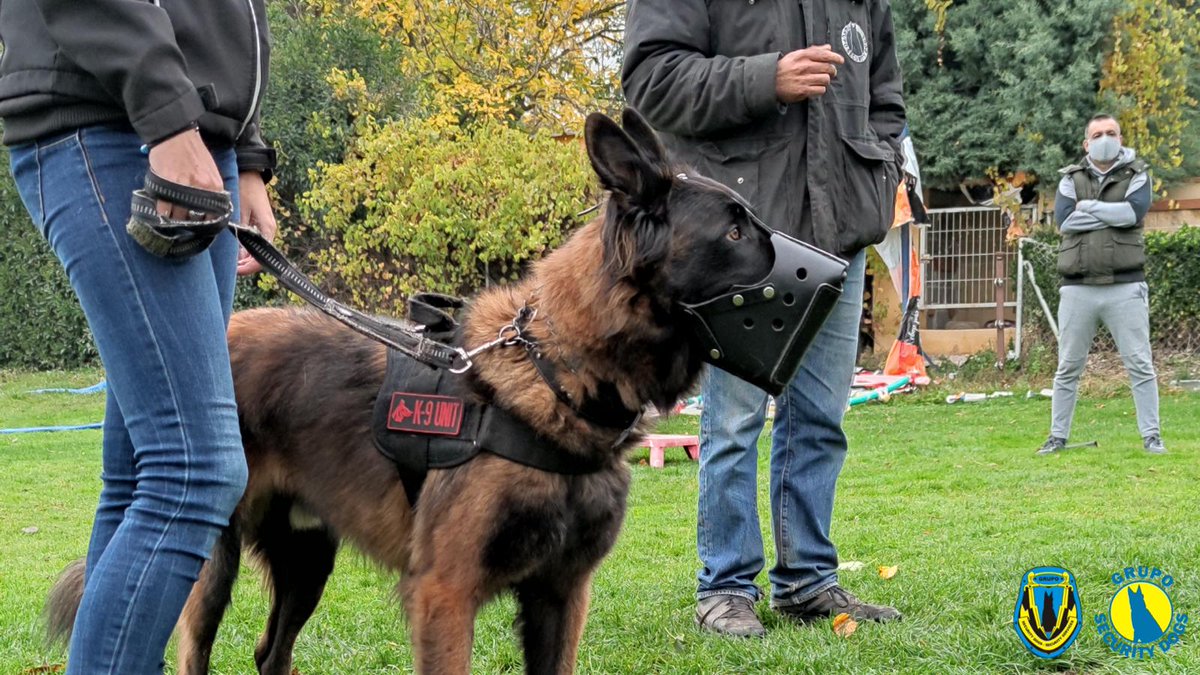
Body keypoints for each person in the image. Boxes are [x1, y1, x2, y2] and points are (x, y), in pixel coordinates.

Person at [0, 0, 277, 671]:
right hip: (115, 116)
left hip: (192, 132)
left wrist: (245, 155)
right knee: (195, 470)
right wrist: (167, 115)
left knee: (138, 479)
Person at [623, 0, 906, 637]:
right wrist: (765, 79)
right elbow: (650, 80)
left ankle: (808, 581)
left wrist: (881, 164)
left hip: (839, 236)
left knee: (821, 422)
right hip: (742, 243)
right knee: (733, 423)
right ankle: (725, 587)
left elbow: (885, 94)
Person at [1038, 114, 1163, 455]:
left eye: (1111, 133)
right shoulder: (1070, 178)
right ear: (1086, 143)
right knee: (1068, 367)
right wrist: (1110, 213)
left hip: (1126, 285)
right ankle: (1057, 437)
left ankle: (1152, 437)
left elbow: (1132, 214)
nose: (1104, 138)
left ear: (1120, 138)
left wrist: (1089, 207)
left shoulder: (1138, 174)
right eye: (1097, 134)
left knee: (1140, 365)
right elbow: (1065, 221)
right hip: (1077, 287)